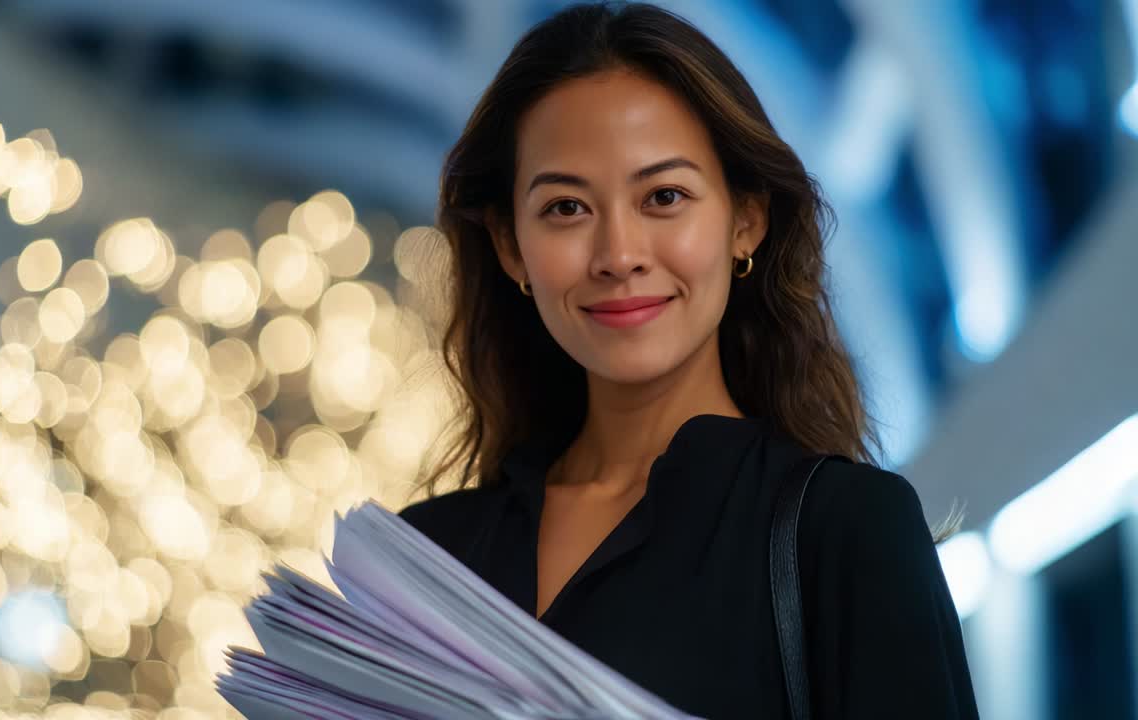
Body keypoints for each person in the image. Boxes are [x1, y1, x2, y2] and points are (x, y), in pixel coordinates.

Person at [397, 2, 980, 717]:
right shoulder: (427, 557)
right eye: (565, 209)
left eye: (664, 197)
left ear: (746, 221)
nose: (618, 256)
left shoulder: (846, 531)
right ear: (511, 246)